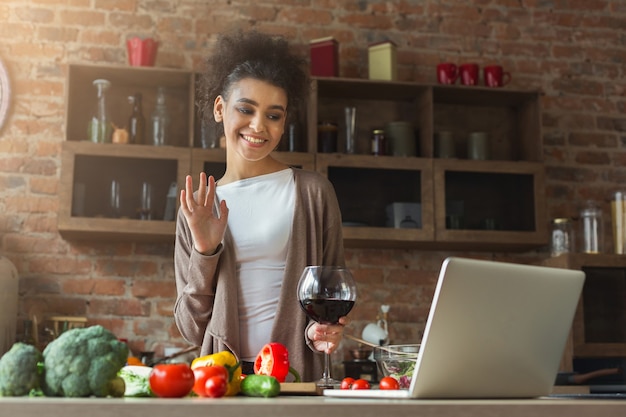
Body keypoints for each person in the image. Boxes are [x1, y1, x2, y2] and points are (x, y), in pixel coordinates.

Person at [173, 30, 349, 381]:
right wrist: (206, 253)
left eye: (274, 115)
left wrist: (322, 332)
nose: (258, 126)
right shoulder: (197, 209)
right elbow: (192, 330)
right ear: (220, 108)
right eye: (246, 109)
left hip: (296, 378)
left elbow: (331, 298)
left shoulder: (313, 194)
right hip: (223, 384)